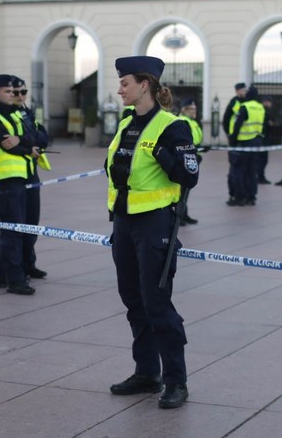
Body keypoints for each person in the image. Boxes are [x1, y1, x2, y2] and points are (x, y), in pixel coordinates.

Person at [105, 55, 199, 410]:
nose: (120, 90)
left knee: (157, 304)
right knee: (133, 301)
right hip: (124, 222)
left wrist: (162, 153)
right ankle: (147, 373)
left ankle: (176, 380)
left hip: (156, 224)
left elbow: (189, 177)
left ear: (145, 84)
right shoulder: (126, 122)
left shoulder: (172, 126)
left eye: (125, 83)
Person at [0, 74, 37, 295]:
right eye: (8, 92)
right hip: (5, 180)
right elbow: (4, 145)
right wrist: (26, 147)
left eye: (15, 92)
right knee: (12, 231)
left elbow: (33, 136)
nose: (13, 95)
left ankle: (1, 277)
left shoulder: (13, 113)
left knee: (15, 229)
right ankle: (15, 280)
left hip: (21, 178)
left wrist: (22, 141)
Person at [12, 78, 50, 281]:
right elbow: (15, 141)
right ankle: (14, 270)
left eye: (23, 92)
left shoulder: (26, 112)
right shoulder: (4, 116)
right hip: (12, 177)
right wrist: (29, 141)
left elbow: (42, 136)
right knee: (15, 228)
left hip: (30, 174)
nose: (20, 96)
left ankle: (29, 264)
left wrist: (29, 140)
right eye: (16, 92)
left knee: (31, 222)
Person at [226, 85, 264, 206]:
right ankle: (251, 197)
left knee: (237, 171)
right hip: (256, 142)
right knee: (252, 171)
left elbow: (237, 125)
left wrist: (232, 140)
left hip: (243, 142)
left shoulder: (245, 107)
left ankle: (239, 197)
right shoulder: (260, 108)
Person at [174, 98, 202, 225]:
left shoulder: (192, 122)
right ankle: (178, 216)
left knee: (185, 190)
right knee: (181, 190)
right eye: (191, 109)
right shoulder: (182, 121)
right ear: (184, 110)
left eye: (195, 109)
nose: (193, 111)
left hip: (193, 158)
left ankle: (183, 214)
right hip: (185, 160)